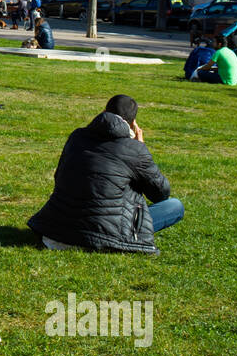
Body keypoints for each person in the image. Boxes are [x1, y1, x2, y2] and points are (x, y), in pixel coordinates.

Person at [28, 94, 183, 255]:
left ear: (103, 112)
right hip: (105, 236)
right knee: (174, 206)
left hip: (56, 232)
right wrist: (141, 147)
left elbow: (58, 177)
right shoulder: (135, 149)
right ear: (133, 124)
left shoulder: (77, 137)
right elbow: (161, 194)